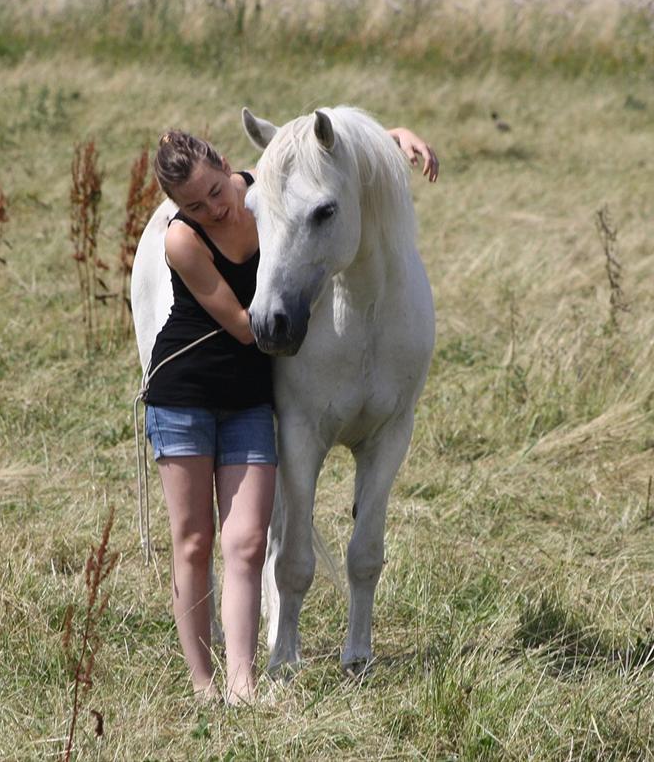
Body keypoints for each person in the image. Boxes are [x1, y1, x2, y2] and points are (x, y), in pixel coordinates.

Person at [144, 123, 438, 705]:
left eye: (216, 193)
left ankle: (244, 679)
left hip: (248, 402)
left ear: (229, 168)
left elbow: (322, 155)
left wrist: (391, 136)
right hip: (191, 394)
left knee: (248, 541)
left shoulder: (267, 190)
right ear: (177, 208)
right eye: (193, 205)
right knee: (195, 540)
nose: (213, 208)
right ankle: (208, 683)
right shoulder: (181, 239)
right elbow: (250, 327)